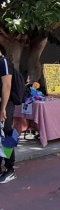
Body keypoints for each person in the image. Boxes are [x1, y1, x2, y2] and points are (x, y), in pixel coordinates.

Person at [0, 44, 16, 183]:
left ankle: (10, 169)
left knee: (6, 136)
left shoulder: (3, 61)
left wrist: (3, 108)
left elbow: (7, 85)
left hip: (4, 105)